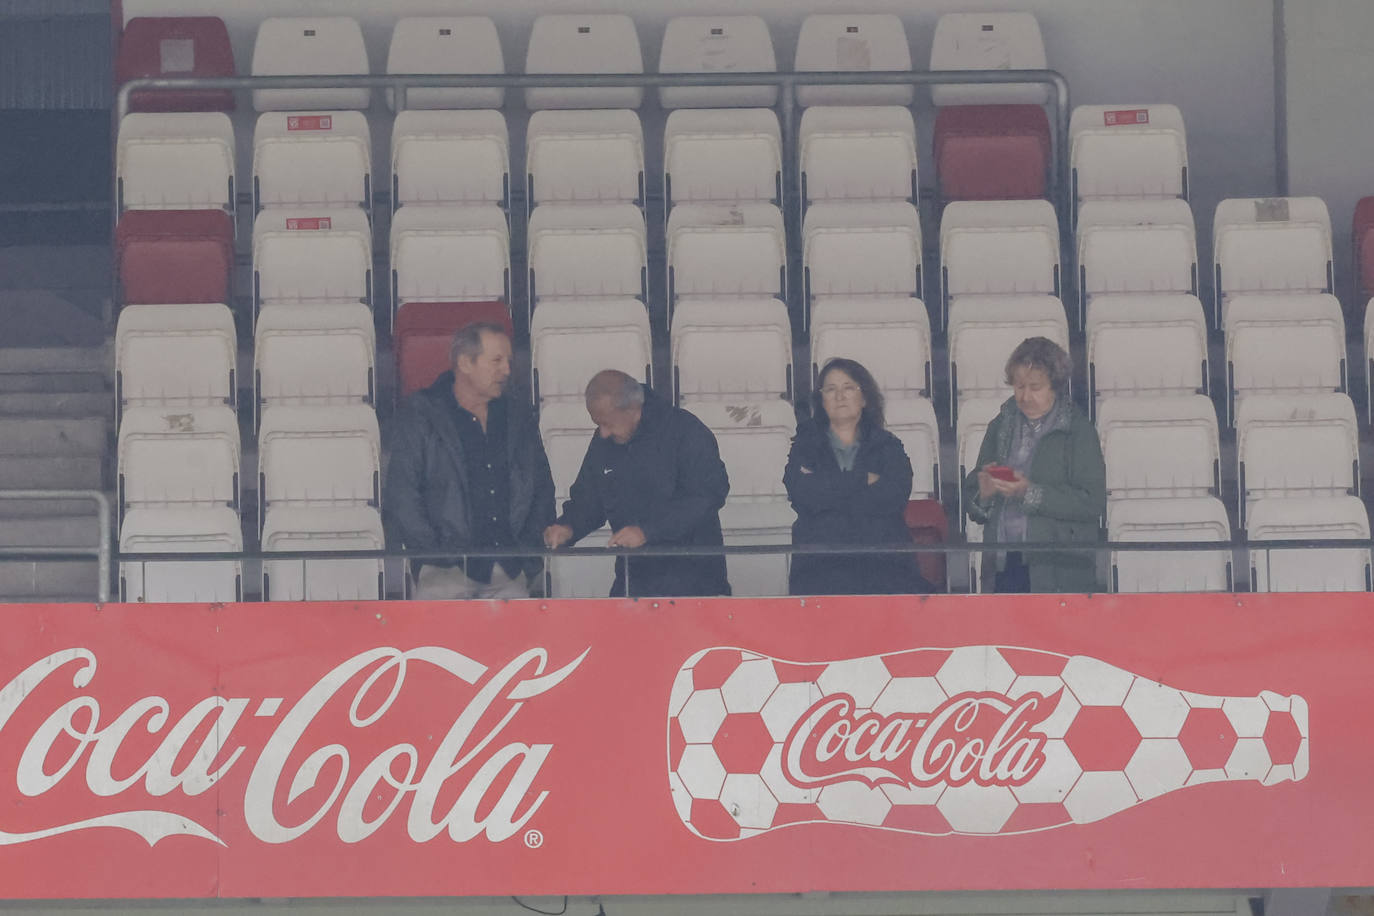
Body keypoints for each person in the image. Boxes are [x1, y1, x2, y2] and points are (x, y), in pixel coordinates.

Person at [384, 321, 554, 599]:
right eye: (497, 360)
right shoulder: (422, 412)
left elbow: (542, 488)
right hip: (443, 575)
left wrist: (526, 551)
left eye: (508, 361)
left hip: (509, 571)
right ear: (465, 363)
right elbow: (402, 492)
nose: (507, 370)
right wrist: (435, 554)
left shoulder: (518, 414)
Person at [543, 370, 731, 597]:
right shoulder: (604, 443)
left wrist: (648, 531)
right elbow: (589, 499)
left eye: (607, 423)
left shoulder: (686, 430)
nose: (602, 433)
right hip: (633, 579)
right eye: (598, 424)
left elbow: (709, 495)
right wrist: (568, 528)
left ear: (632, 410)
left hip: (696, 581)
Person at [962, 336, 1106, 593]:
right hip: (1003, 564)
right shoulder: (1001, 425)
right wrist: (983, 495)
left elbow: (1092, 502)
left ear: (1056, 386)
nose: (1025, 396)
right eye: (1019, 386)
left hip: (1058, 569)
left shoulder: (1079, 431)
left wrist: (1029, 493)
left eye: (1035, 387)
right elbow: (975, 502)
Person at [783, 358, 932, 596]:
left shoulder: (888, 446)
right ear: (821, 400)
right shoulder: (804, 445)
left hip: (884, 573)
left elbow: (894, 496)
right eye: (830, 389)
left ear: (864, 398)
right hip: (819, 574)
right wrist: (862, 480)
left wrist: (828, 488)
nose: (839, 396)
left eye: (848, 388)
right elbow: (802, 494)